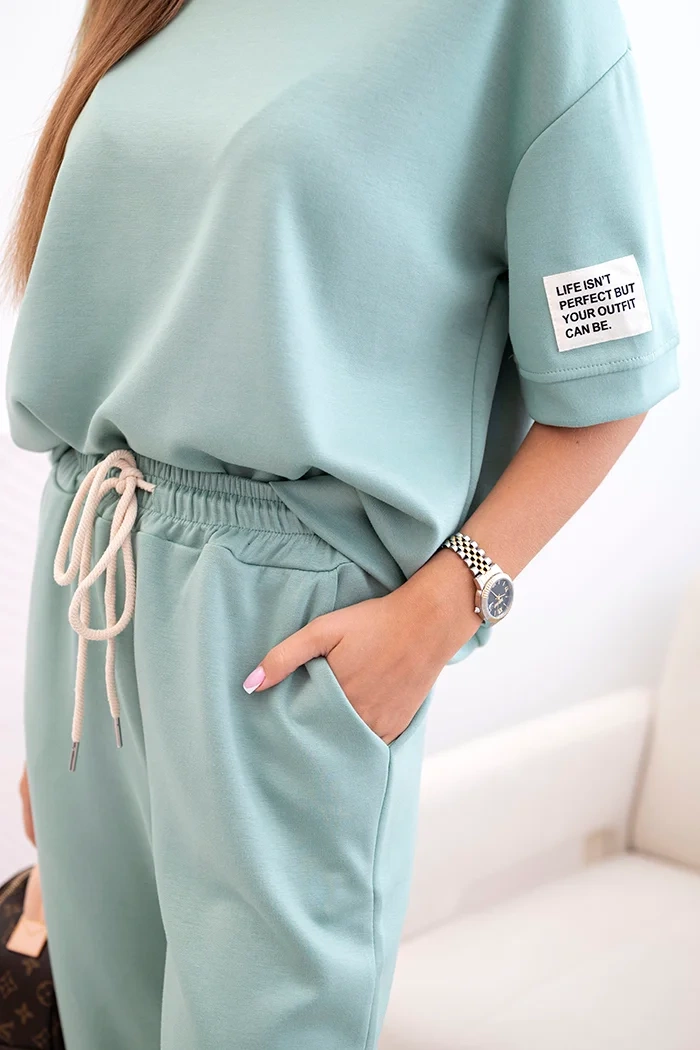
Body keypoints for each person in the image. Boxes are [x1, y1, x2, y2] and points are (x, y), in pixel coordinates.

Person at [4, 0, 681, 1047]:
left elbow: (608, 378)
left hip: (278, 649)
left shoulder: (525, 17)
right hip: (93, 597)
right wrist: (69, 717)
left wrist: (443, 611)